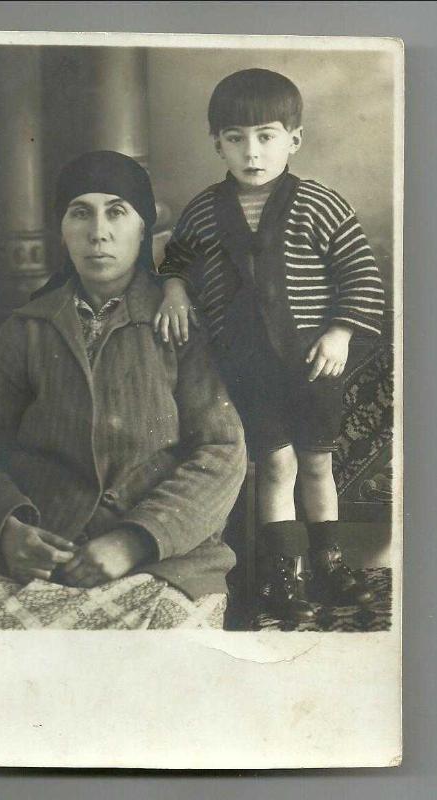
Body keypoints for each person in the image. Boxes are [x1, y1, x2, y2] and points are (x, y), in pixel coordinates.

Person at [0, 150, 247, 631]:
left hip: (163, 562)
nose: (98, 232)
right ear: (62, 230)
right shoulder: (27, 328)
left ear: (144, 228)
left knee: (158, 652)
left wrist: (134, 540)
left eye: (117, 212)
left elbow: (222, 450)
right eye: (80, 213)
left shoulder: (179, 325)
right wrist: (8, 530)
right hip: (42, 556)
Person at [153, 69, 385, 623]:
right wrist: (174, 288)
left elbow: (361, 275)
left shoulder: (320, 205)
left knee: (316, 463)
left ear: (293, 140)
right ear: (218, 144)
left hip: (312, 363)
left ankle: (329, 564)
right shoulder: (205, 211)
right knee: (276, 465)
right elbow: (177, 258)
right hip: (247, 365)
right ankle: (284, 575)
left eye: (266, 136)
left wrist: (340, 331)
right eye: (236, 138)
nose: (251, 152)